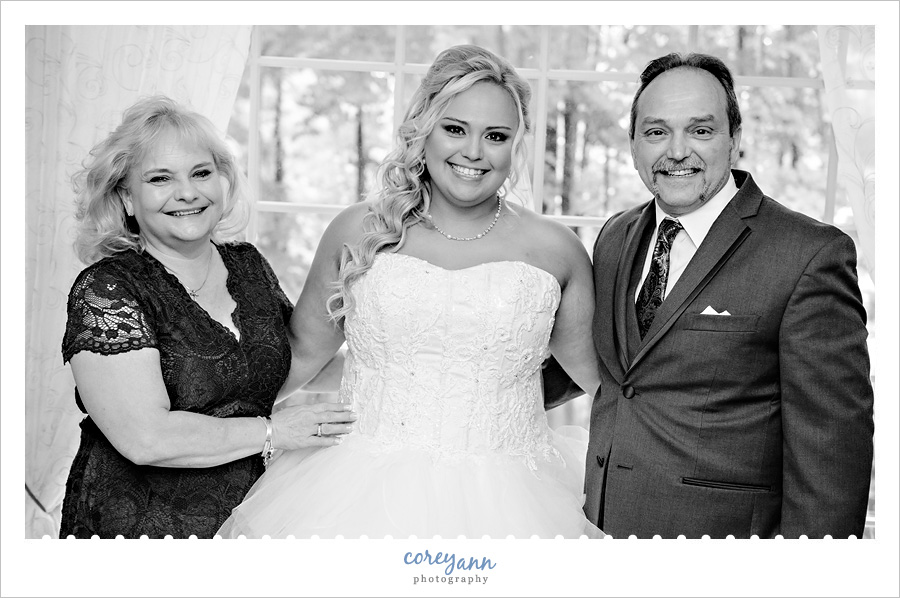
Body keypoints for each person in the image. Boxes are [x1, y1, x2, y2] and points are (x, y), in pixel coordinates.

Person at [217, 45, 603, 539]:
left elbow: (601, 384)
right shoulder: (356, 232)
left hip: (516, 497)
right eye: (455, 128)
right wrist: (199, 415)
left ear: (516, 144)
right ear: (424, 128)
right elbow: (296, 360)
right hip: (352, 491)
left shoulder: (558, 250)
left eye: (496, 136)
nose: (474, 152)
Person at [545, 52, 874, 539]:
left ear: (735, 141)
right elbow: (611, 364)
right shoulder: (615, 236)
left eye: (700, 130)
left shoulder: (807, 254)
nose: (677, 151)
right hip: (601, 533)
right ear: (634, 143)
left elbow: (831, 454)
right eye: (656, 131)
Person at [59, 96, 356, 539]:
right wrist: (275, 431)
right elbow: (147, 437)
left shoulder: (247, 266)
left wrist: (389, 347)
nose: (188, 193)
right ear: (126, 197)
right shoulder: (108, 288)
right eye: (161, 179)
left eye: (202, 173)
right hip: (136, 532)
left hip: (247, 519)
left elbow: (280, 365)